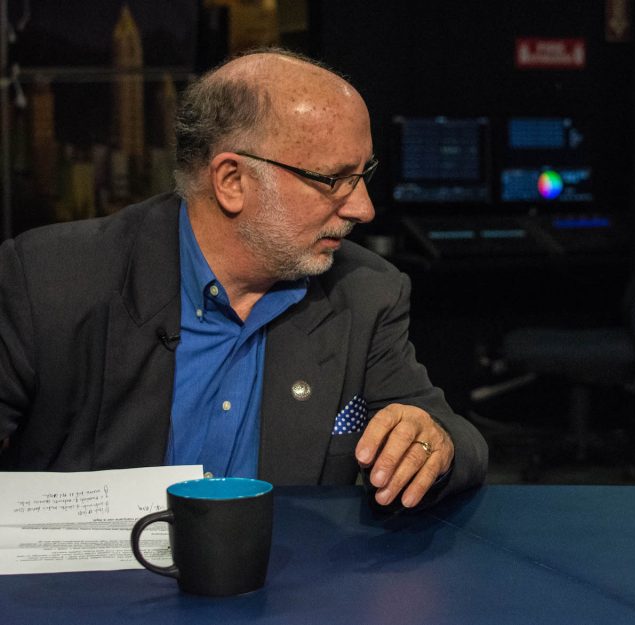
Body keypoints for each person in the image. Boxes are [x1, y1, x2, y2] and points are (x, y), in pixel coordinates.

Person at [0, 48, 487, 511]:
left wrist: (432, 444)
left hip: (285, 586)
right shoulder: (49, 281)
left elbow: (453, 436)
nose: (363, 208)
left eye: (365, 174)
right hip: (85, 590)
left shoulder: (364, 292)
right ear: (232, 181)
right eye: (334, 179)